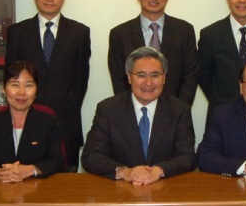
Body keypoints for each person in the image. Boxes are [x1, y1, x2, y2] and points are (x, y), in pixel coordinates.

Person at [5, 0, 91, 171]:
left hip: (66, 124)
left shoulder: (79, 32)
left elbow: (80, 81)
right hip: (26, 124)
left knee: (65, 186)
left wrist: (63, 113)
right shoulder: (17, 32)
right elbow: (12, 79)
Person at [83, 47, 196, 185]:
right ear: (129, 77)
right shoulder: (108, 109)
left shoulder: (179, 109)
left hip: (165, 190)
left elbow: (187, 157)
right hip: (119, 192)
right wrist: (125, 172)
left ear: (164, 77)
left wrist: (159, 170)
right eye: (141, 75)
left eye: (155, 75)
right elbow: (91, 156)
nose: (148, 83)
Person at [108, 0, 199, 105]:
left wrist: (178, 111)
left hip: (175, 115)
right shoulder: (119, 34)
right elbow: (119, 79)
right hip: (133, 115)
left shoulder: (184, 31)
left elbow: (191, 77)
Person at [0, 61, 65, 182]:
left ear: (36, 91)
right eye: (15, 85)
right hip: (1, 190)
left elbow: (57, 160)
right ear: (4, 89)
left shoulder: (51, 123)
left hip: (38, 191)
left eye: (29, 85)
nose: (21, 92)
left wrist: (29, 170)